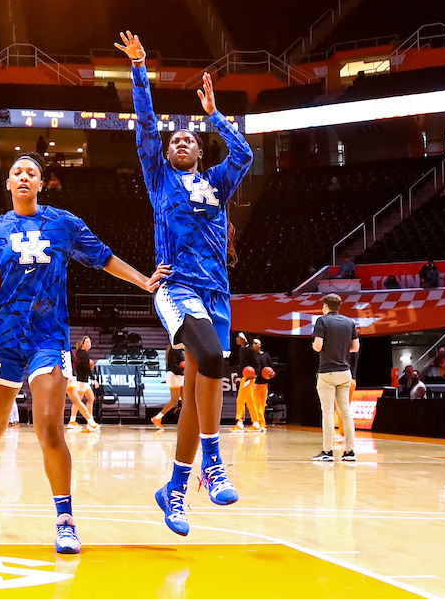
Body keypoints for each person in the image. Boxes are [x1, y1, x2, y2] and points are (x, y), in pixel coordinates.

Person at [0, 150, 167, 554]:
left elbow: (104, 259)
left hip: (48, 338)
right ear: (8, 184)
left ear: (42, 183)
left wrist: (143, 282)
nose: (24, 176)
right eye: (17, 172)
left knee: (50, 427)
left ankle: (65, 519)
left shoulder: (64, 224)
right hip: (1, 340)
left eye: (32, 172)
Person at [117, 30, 253, 534]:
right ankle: (212, 466)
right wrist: (139, 68)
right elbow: (147, 126)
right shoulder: (160, 178)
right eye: (175, 139)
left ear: (199, 150)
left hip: (218, 292)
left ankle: (174, 489)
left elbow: (245, 157)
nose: (179, 141)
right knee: (213, 361)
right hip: (176, 288)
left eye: (189, 139)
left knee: (203, 382)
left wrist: (216, 116)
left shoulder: (217, 180)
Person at [311, 292, 359, 464]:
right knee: (345, 412)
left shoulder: (322, 321)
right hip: (345, 372)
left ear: (325, 306)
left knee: (328, 413)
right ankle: (350, 451)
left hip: (327, 372)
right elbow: (355, 347)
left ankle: (327, 451)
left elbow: (318, 346)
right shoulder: (349, 322)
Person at [66, 336, 98, 430]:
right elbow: (86, 368)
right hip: (81, 380)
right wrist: (94, 379)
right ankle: (72, 421)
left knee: (91, 398)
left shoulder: (80, 353)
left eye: (90, 342)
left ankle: (90, 421)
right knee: (77, 401)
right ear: (82, 343)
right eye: (87, 342)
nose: (89, 344)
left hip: (84, 380)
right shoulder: (83, 354)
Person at [152, 342, 184, 429]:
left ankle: (185, 421)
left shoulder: (181, 350)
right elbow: (172, 366)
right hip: (173, 375)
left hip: (180, 376)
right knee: (174, 400)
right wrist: (184, 369)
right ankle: (157, 418)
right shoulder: (173, 351)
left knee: (186, 400)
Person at [234, 332, 259, 432]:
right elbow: (242, 365)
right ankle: (256, 423)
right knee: (250, 401)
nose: (236, 339)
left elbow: (257, 364)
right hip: (244, 377)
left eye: (238, 337)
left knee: (240, 399)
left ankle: (240, 422)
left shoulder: (250, 350)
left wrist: (254, 375)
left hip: (249, 378)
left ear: (243, 339)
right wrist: (238, 375)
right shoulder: (241, 350)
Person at [252, 338, 273, 431]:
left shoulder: (265, 355)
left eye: (255, 343)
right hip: (255, 383)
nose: (254, 345)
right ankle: (260, 423)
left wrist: (272, 373)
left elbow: (271, 368)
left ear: (260, 345)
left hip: (264, 383)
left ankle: (259, 422)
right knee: (257, 404)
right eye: (253, 344)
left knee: (262, 404)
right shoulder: (252, 356)